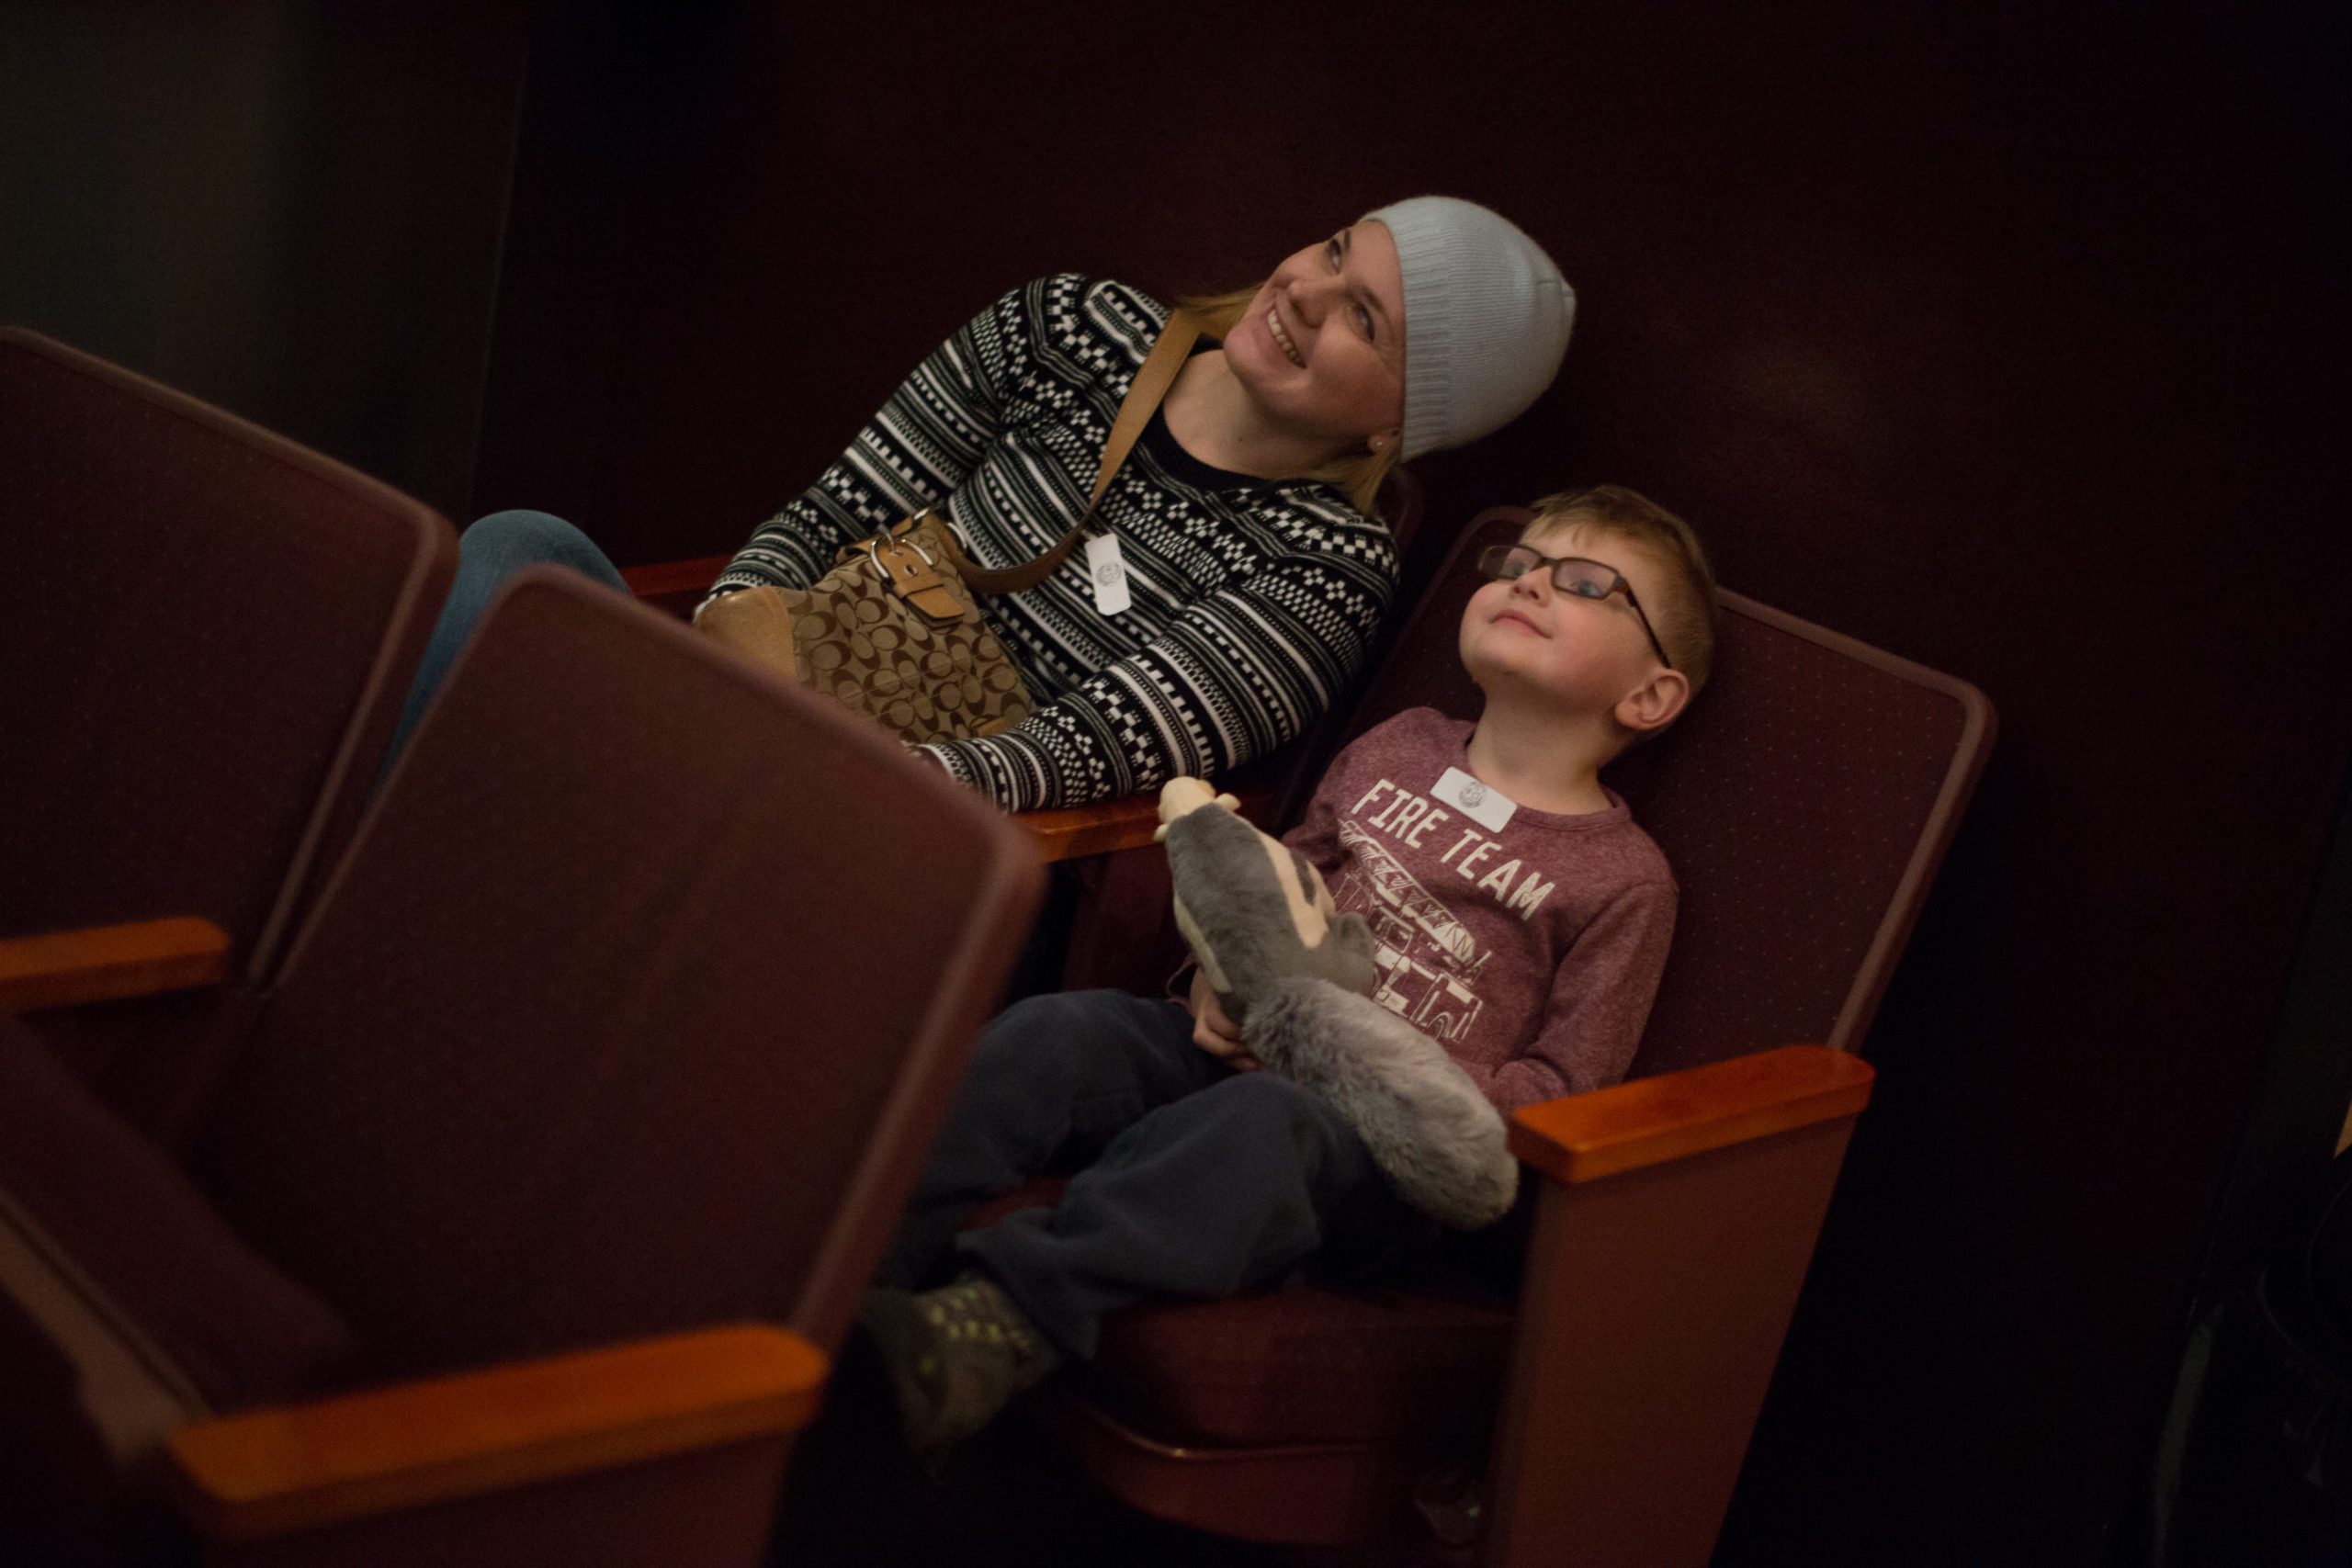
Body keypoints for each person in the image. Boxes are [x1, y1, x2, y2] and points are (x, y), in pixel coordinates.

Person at [861, 484, 1721, 1450]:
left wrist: (1386, 1071)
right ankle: (856, 1268)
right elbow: (1282, 888)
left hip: (1374, 1153)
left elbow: (1567, 1086)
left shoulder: (1625, 879)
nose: (1528, 583)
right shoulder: (1397, 744)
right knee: (1062, 1031)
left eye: (1585, 582)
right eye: (1517, 563)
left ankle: (1000, 1322)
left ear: (1648, 695)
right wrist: (1212, 990)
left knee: (1266, 1121)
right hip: (1240, 1045)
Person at [387, 197, 1576, 809]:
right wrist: (736, 646)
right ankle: (359, 899)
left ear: (1396, 423)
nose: (1309, 293)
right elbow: (830, 515)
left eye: (1367, 316)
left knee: (539, 775)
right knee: (520, 551)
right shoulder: (1070, 325)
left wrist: (790, 756)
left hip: (890, 820)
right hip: (756, 689)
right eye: (1331, 251)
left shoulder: (1329, 566)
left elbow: (1066, 756)